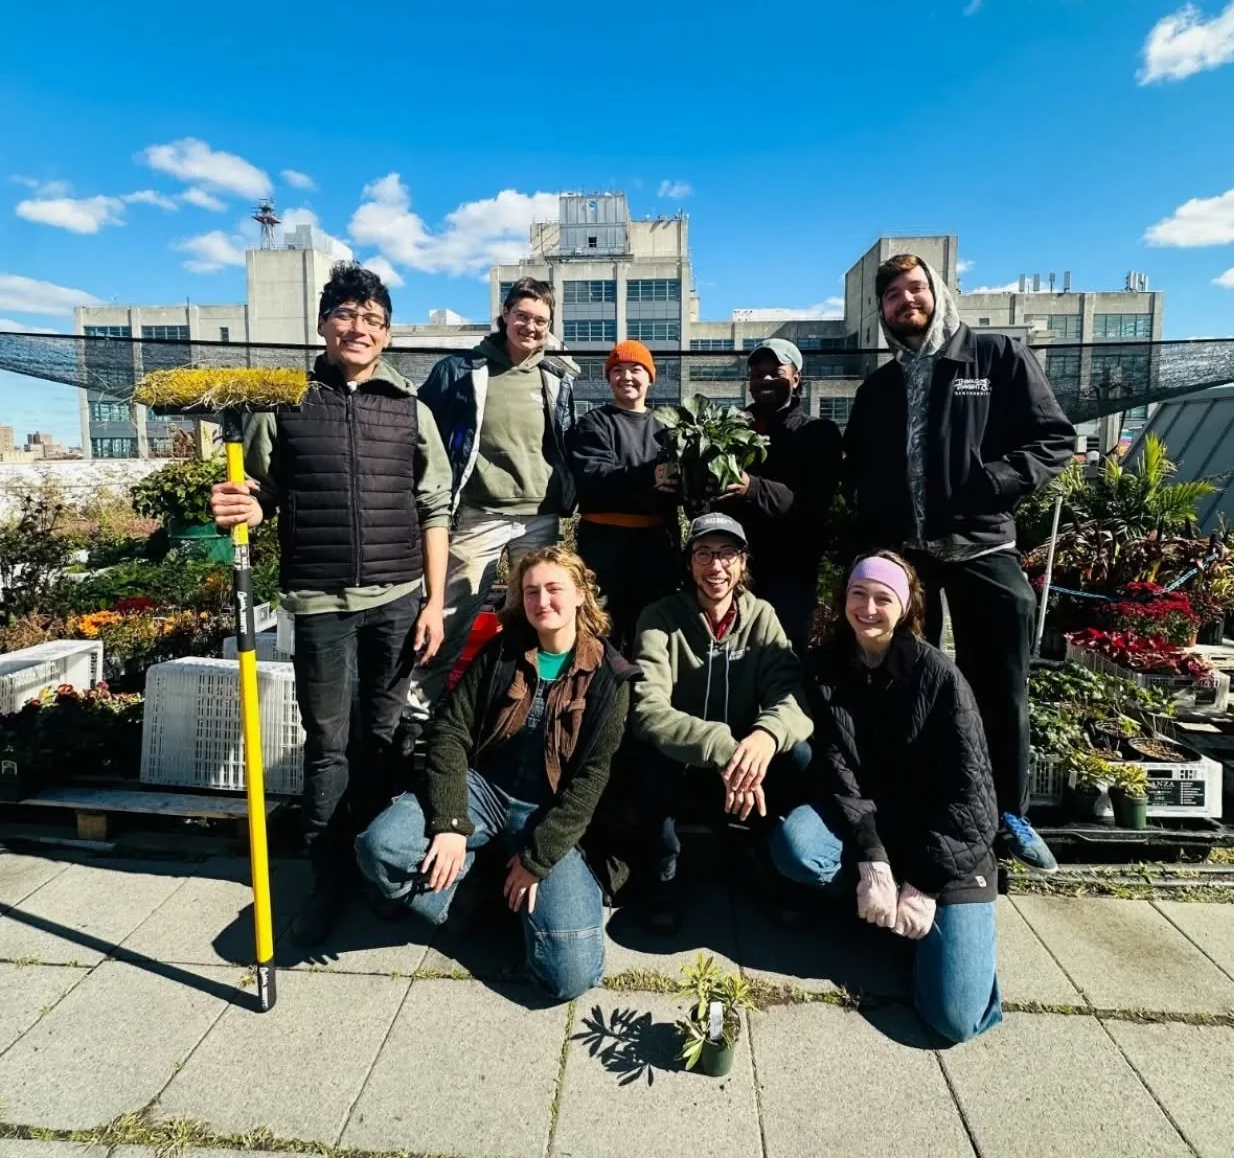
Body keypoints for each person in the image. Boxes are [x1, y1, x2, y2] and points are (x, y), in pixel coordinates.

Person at [209, 262, 452, 946]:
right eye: (347, 315)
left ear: (387, 333)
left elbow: (435, 506)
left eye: (373, 319)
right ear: (322, 325)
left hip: (399, 599)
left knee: (381, 739)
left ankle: (374, 871)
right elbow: (257, 491)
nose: (359, 328)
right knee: (327, 746)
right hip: (318, 601)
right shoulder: (282, 403)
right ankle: (325, 880)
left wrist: (434, 603)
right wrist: (239, 505)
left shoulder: (411, 409)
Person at [842, 254, 1074, 872]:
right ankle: (918, 805)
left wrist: (993, 479)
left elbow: (1055, 440)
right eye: (892, 296)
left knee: (999, 688)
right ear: (883, 312)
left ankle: (1009, 818)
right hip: (909, 560)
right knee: (906, 685)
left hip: (981, 547)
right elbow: (856, 466)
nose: (905, 301)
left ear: (938, 294)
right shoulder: (879, 387)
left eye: (915, 288)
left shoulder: (993, 358)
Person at [356, 547, 634, 1001]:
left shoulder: (610, 678)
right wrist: (449, 823)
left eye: (553, 589)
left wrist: (536, 860)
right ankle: (477, 891)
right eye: (531, 592)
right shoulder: (504, 652)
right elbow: (449, 732)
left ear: (581, 595)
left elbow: (589, 785)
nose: (542, 601)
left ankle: (503, 892)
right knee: (380, 847)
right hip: (482, 791)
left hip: (550, 813)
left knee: (569, 976)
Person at [771, 551, 1001, 1045]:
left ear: (905, 608)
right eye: (858, 594)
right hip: (877, 827)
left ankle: (921, 925)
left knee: (953, 1019)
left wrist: (922, 882)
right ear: (843, 599)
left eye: (883, 598)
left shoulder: (939, 678)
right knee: (796, 845)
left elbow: (975, 804)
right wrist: (873, 858)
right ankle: (876, 905)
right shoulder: (826, 669)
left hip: (949, 846)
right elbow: (838, 773)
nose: (868, 608)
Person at [629, 513, 813, 931]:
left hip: (747, 772)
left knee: (798, 753)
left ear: (743, 563)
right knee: (644, 753)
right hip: (687, 764)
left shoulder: (762, 616)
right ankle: (664, 862)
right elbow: (647, 709)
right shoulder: (659, 618)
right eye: (704, 554)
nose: (716, 566)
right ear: (689, 563)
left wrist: (764, 737)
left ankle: (765, 856)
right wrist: (726, 748)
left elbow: (792, 695)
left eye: (728, 553)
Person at [416, 277, 578, 707]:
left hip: (540, 518)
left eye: (540, 320)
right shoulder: (462, 371)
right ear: (504, 316)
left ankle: (525, 709)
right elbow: (421, 429)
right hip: (480, 514)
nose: (530, 326)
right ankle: (416, 716)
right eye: (522, 316)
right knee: (451, 617)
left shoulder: (556, 379)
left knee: (535, 620)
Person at [711, 339, 843, 655]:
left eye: (775, 373)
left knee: (784, 651)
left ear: (796, 378)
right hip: (736, 568)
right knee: (732, 650)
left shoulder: (818, 433)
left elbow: (811, 503)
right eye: (757, 375)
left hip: (791, 570)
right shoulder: (730, 429)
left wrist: (751, 487)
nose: (765, 381)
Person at [569, 339, 682, 650]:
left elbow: (678, 488)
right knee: (601, 630)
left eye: (636, 369)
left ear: (650, 376)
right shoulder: (593, 423)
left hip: (656, 545)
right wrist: (651, 479)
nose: (626, 377)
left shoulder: (668, 426)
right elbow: (595, 477)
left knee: (653, 632)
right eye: (617, 370)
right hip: (604, 546)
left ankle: (648, 696)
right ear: (608, 379)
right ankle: (603, 696)